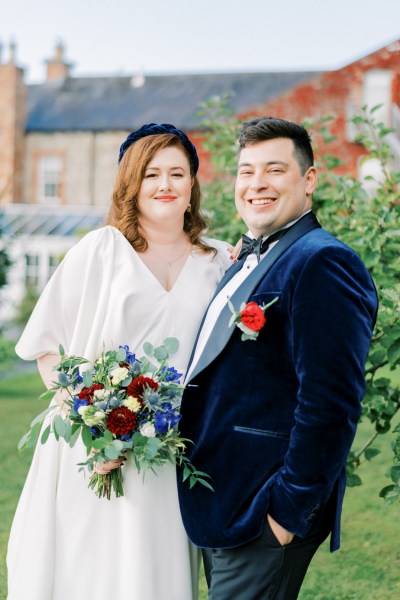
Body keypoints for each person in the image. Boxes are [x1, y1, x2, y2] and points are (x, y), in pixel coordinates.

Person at [7, 123, 232, 600]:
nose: (165, 185)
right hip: (94, 449)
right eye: (152, 174)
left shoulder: (217, 261)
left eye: (177, 173)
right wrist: (93, 422)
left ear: (193, 183)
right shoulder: (100, 251)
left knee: (156, 569)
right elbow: (49, 351)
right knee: (90, 570)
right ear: (131, 184)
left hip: (173, 449)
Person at [177, 117, 378, 599]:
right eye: (246, 172)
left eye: (274, 170)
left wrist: (286, 514)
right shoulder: (254, 258)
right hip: (224, 500)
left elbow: (331, 404)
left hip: (264, 509)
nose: (256, 184)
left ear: (309, 180)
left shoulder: (322, 261)